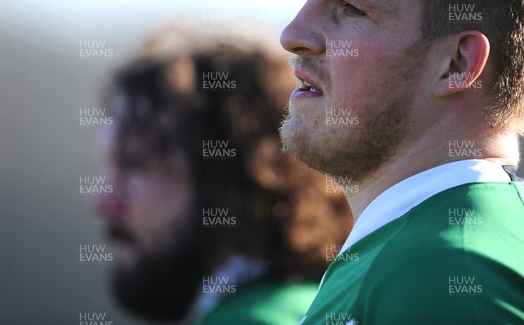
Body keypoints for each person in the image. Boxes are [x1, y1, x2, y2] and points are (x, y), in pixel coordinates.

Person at [279, 0, 524, 323]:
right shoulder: (420, 248)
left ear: (457, 65)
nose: (292, 36)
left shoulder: (448, 269)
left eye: (350, 8)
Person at [94, 28, 352, 325]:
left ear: (232, 178)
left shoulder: (249, 319)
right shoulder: (325, 300)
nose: (103, 201)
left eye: (134, 168)